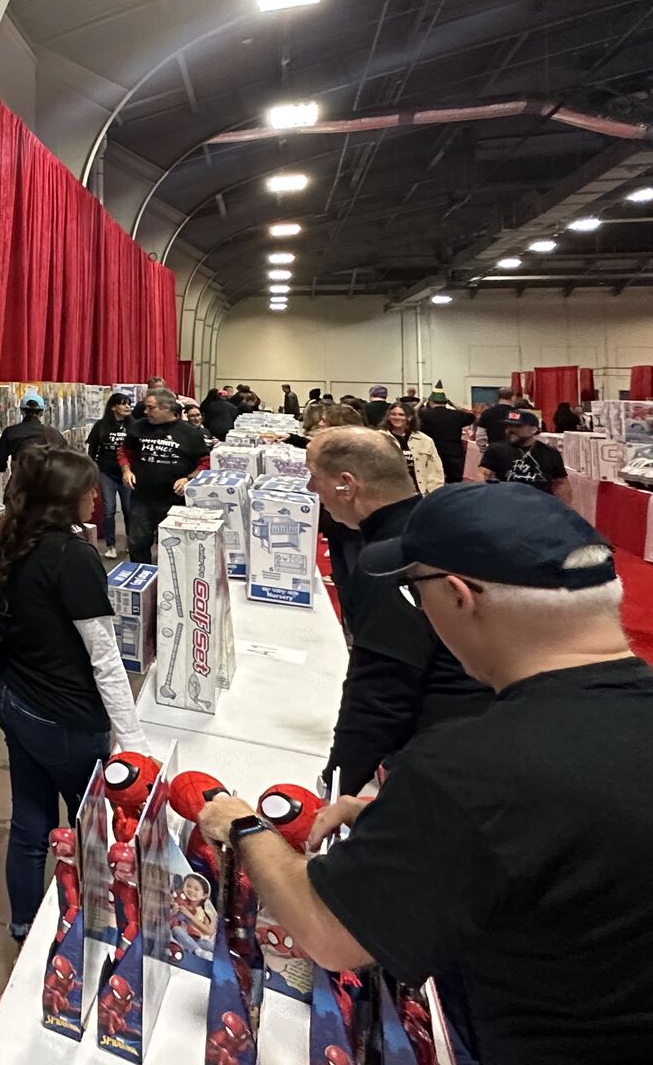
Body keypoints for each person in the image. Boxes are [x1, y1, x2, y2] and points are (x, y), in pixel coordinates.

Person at [196, 484, 653, 1065]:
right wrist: (416, 826)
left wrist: (244, 827)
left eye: (415, 593)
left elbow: (327, 932)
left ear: (460, 596)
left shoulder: (472, 766)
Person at [0, 445, 147, 940]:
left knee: (29, 819)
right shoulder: (73, 556)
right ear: (62, 498)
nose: (96, 497)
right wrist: (134, 744)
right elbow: (104, 656)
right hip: (63, 714)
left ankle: (26, 924)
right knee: (96, 828)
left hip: (15, 698)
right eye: (86, 489)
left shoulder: (17, 539)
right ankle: (94, 927)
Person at [304, 429, 490, 794]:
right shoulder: (436, 525)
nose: (311, 488)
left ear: (347, 484)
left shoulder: (391, 560)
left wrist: (336, 785)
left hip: (443, 755)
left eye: (315, 475)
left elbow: (381, 690)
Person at [118, 388, 211, 564]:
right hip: (142, 498)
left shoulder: (190, 433)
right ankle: (141, 580)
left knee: (172, 546)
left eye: (151, 407)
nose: (146, 412)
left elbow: (205, 462)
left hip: (174, 501)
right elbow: (124, 451)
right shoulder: (138, 426)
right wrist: (126, 470)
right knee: (137, 543)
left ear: (167, 408)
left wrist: (189, 479)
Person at [480, 409, 568, 496]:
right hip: (506, 504)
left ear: (533, 429)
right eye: (508, 426)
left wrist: (563, 508)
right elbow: (483, 477)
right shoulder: (495, 449)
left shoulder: (550, 453)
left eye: (517, 426)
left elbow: (561, 485)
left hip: (540, 506)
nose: (510, 430)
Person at [85, 393, 134, 547]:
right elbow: (92, 450)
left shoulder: (134, 425)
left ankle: (130, 542)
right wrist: (92, 471)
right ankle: (110, 545)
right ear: (113, 407)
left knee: (128, 509)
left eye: (128, 403)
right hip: (106, 472)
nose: (127, 407)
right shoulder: (101, 425)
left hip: (127, 473)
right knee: (109, 509)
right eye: (123, 403)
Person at [379, 400, 445, 495]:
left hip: (419, 493)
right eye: (393, 414)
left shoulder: (425, 440)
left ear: (409, 417)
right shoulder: (379, 438)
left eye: (401, 415)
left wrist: (434, 493)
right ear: (388, 416)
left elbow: (435, 470)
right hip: (391, 494)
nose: (397, 417)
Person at [0, 391, 64, 474]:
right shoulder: (54, 434)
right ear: (42, 413)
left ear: (22, 411)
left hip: (19, 484)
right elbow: (66, 462)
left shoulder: (10, 432)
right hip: (48, 484)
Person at [417, 388, 471, 486]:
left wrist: (421, 403)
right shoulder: (457, 415)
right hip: (454, 454)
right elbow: (471, 416)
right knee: (454, 485)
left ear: (430, 401)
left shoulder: (423, 415)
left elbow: (409, 416)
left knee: (432, 483)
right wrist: (454, 405)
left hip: (431, 453)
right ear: (446, 402)